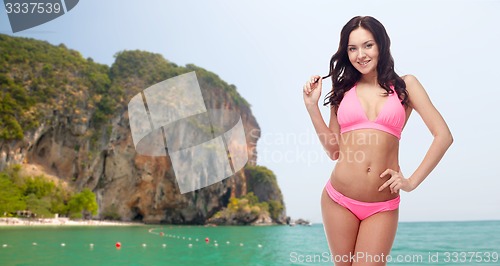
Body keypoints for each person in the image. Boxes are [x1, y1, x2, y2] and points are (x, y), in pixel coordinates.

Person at [303, 16, 453, 265]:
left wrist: (411, 182)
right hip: (338, 199)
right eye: (352, 48)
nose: (360, 54)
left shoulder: (406, 86)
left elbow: (443, 136)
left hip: (382, 205)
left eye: (367, 45)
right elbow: (333, 150)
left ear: (381, 45)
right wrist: (311, 106)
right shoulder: (342, 91)